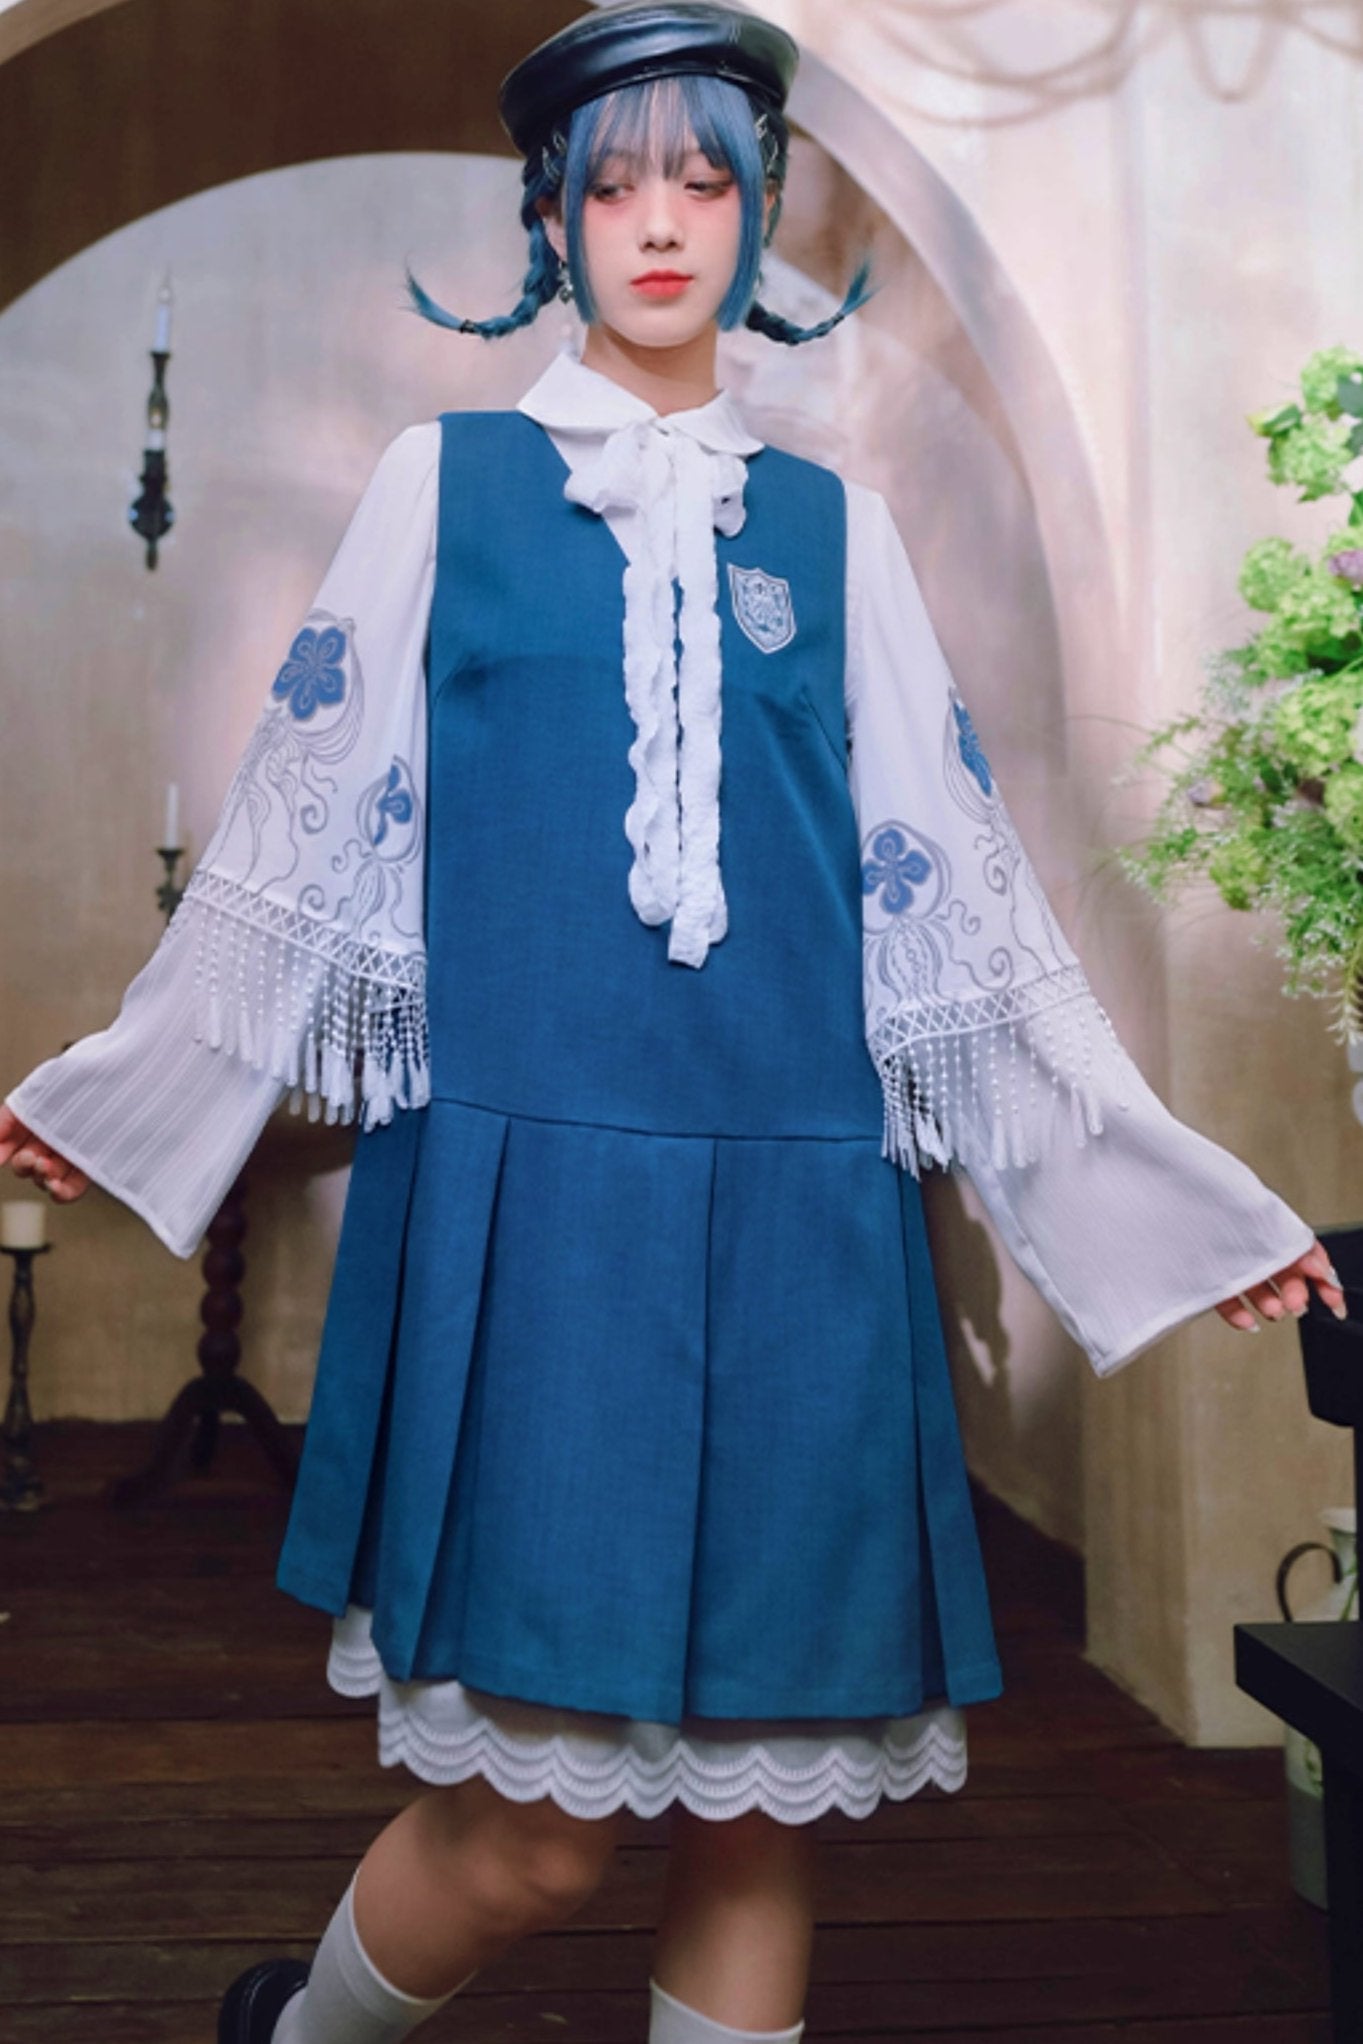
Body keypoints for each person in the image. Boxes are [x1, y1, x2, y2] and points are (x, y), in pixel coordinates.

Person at [0, 6, 1343, 2041]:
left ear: (756, 211)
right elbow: (309, 825)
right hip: (530, 1213)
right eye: (612, 181)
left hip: (805, 1225)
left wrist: (1176, 1202)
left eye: (704, 180)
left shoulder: (839, 532)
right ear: (549, 214)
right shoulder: (442, 488)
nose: (657, 222)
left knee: (751, 1826)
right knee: (529, 1837)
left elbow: (958, 904)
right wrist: (129, 1097)